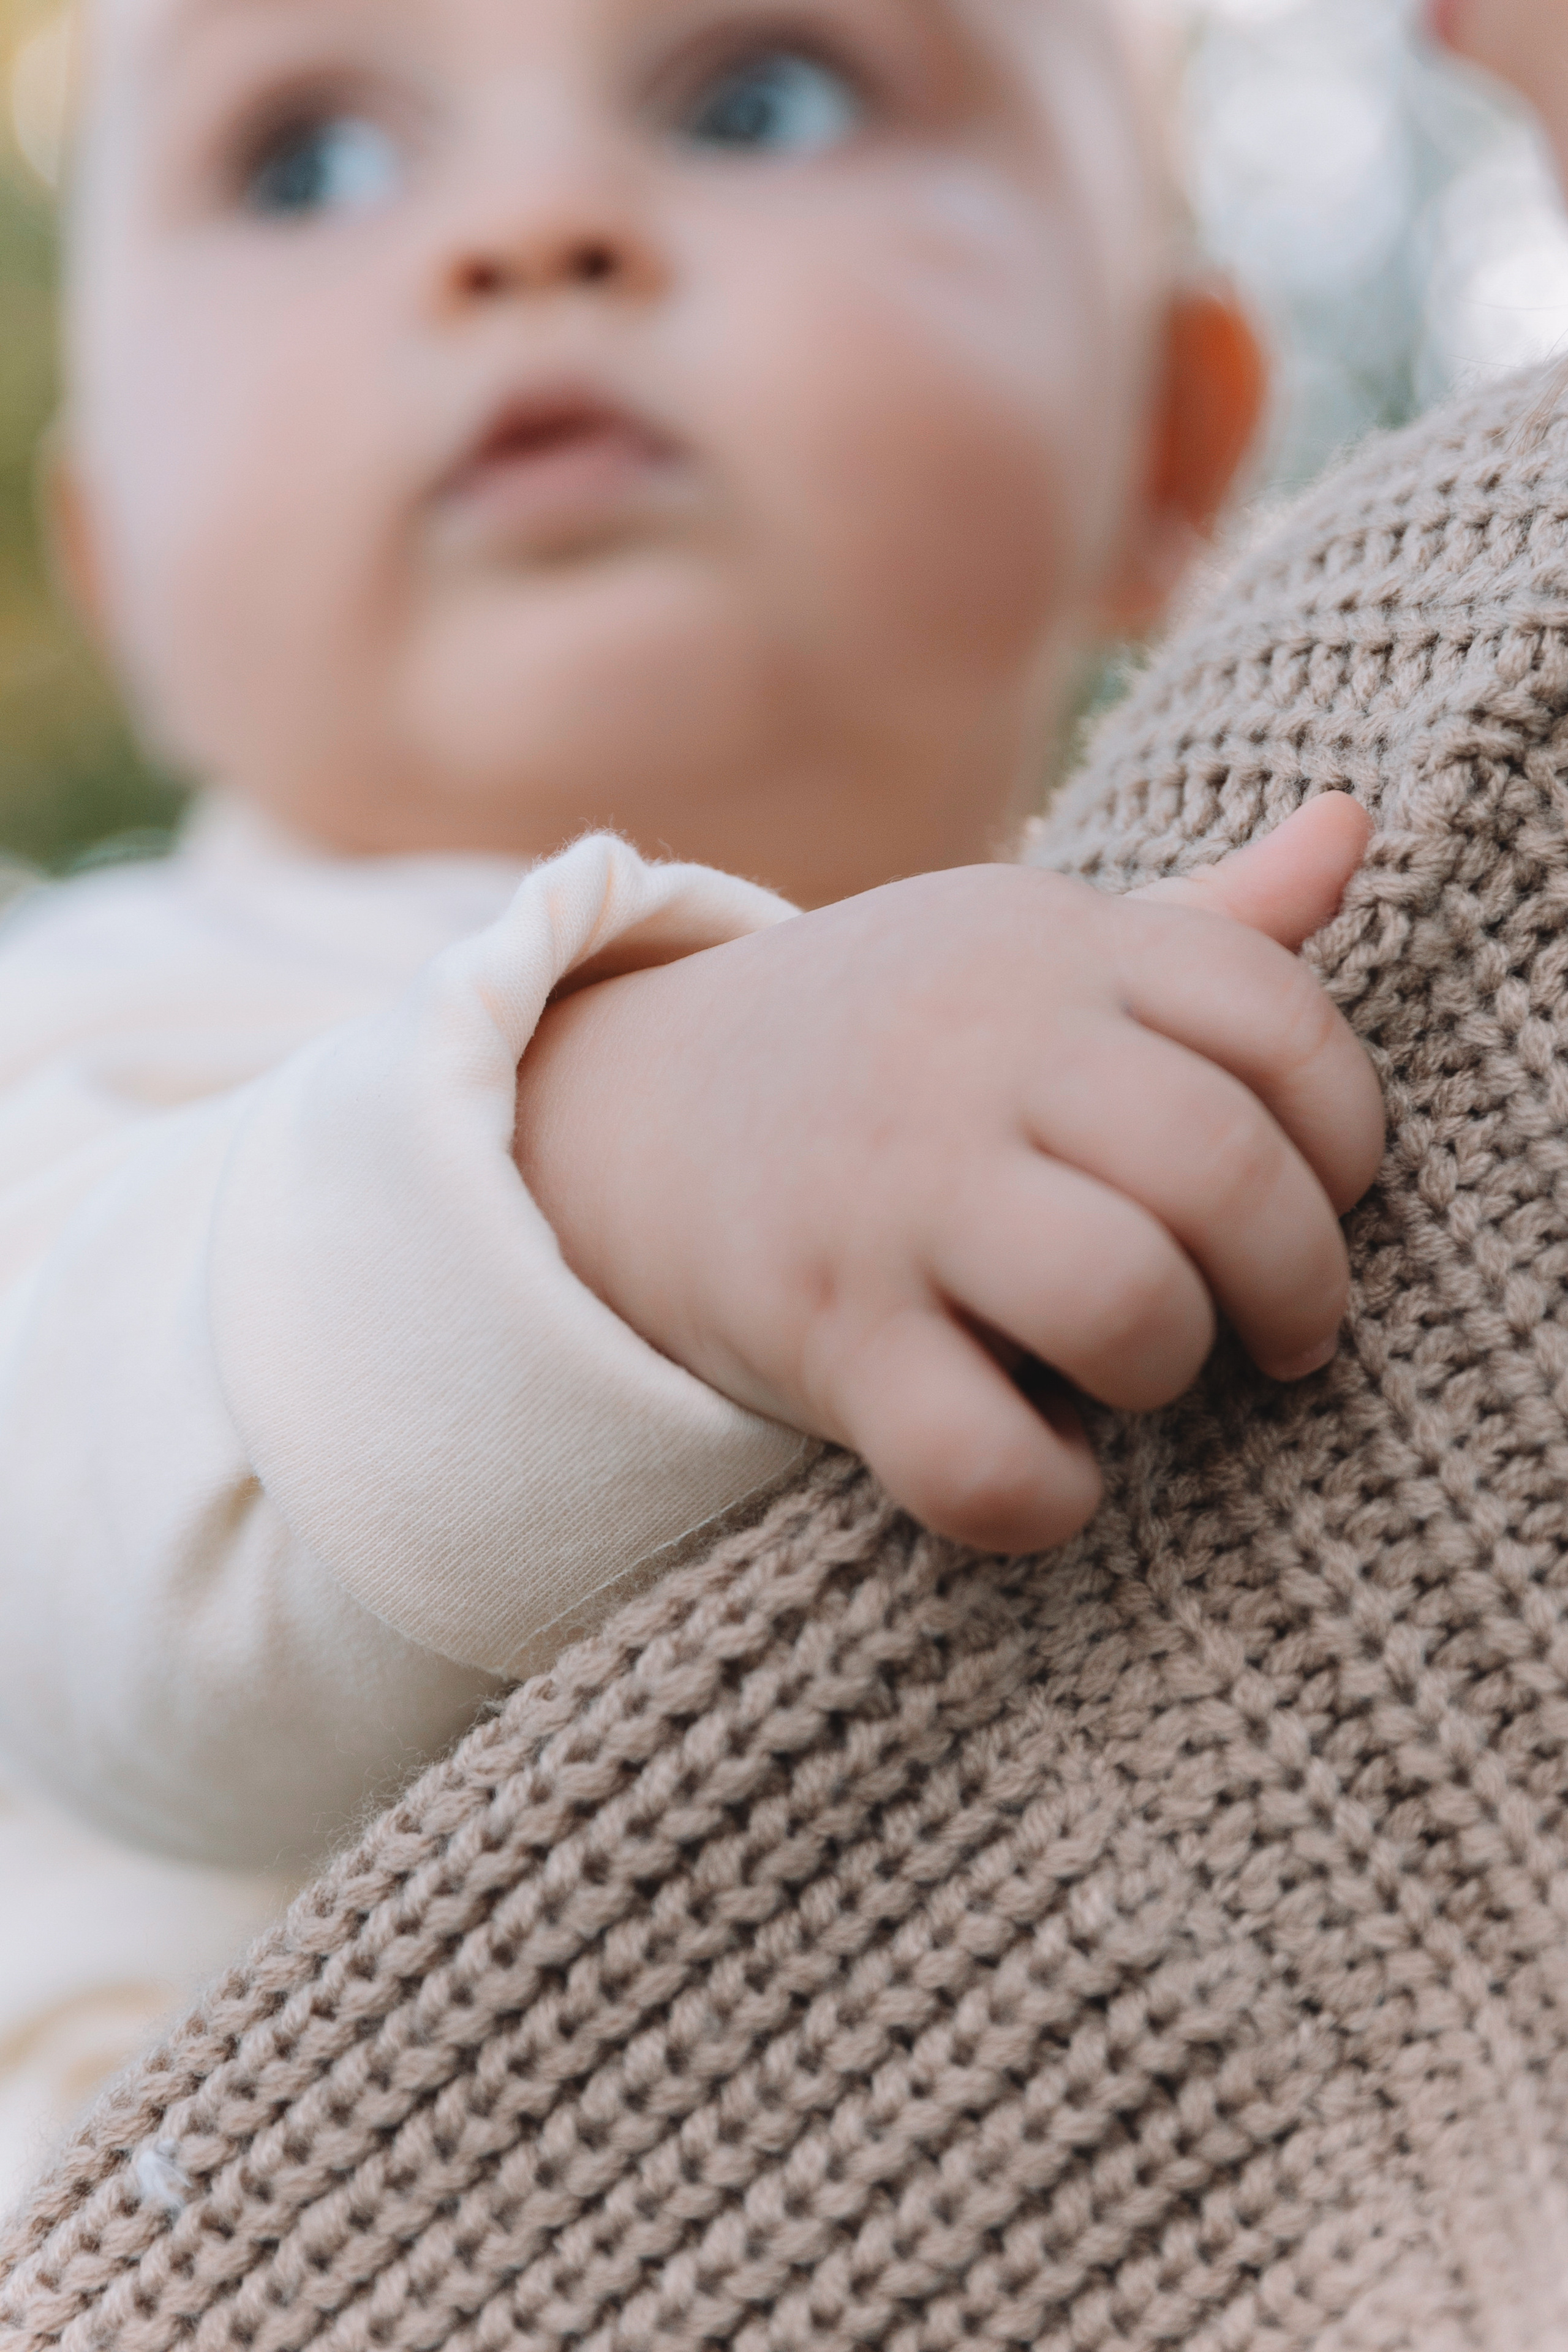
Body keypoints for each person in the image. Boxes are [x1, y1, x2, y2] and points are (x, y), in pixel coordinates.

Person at [0, 0, 1384, 2195]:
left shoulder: (1264, 976)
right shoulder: (100, 1022)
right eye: (307, 161)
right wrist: (631, 1157)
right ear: (114, 550)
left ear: (1169, 435)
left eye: (759, 99)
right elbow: (76, 1527)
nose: (530, 226)